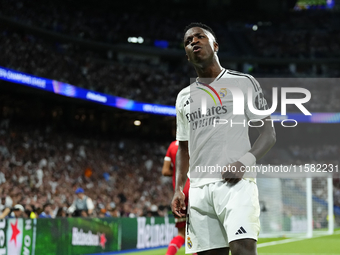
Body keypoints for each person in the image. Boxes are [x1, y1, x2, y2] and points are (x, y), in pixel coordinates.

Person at [171, 23, 276, 255]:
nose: (193, 42)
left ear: (215, 45)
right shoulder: (183, 97)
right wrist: (179, 189)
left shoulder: (243, 82)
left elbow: (268, 134)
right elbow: (183, 147)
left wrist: (243, 163)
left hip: (235, 185)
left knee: (243, 251)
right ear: (187, 56)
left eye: (200, 37)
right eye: (188, 41)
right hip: (198, 192)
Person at [162, 140, 191, 255]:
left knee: (181, 234)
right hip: (195, 189)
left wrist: (176, 171)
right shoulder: (195, 140)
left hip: (180, 192)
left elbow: (165, 171)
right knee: (196, 234)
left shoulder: (172, 146)